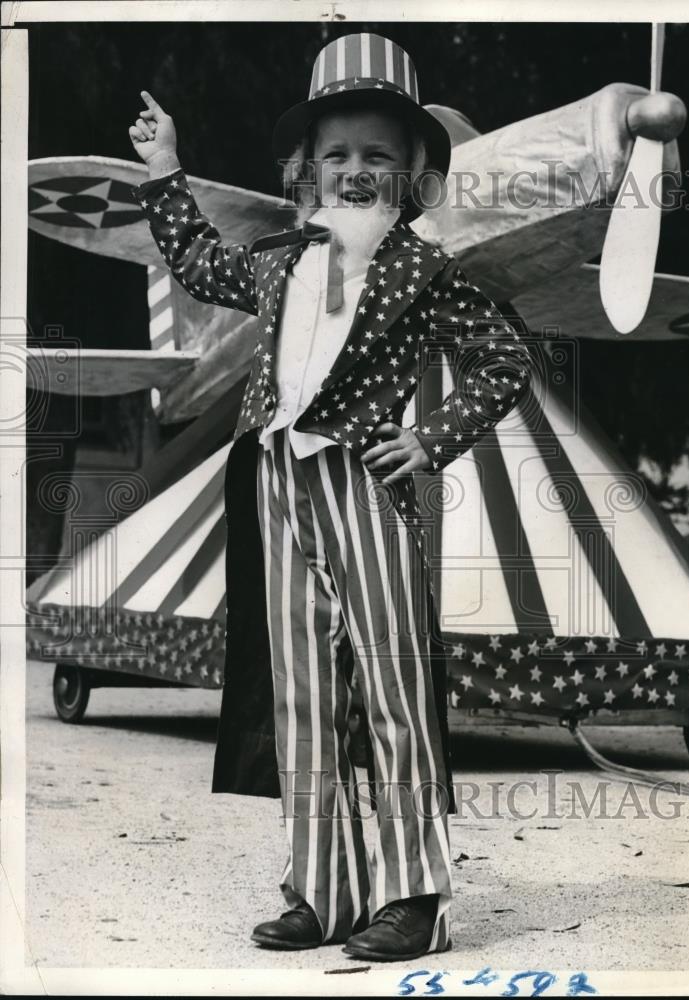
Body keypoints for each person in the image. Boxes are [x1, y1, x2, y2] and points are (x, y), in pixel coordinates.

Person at [129, 32, 534, 962]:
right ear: (306, 170)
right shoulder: (275, 260)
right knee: (301, 694)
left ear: (415, 175)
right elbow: (193, 261)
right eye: (338, 155)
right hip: (278, 485)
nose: (357, 172)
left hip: (363, 486)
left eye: (379, 157)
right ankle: (324, 889)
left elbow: (505, 358)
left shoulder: (429, 274)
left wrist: (430, 440)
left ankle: (415, 896)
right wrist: (166, 169)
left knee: (391, 686)